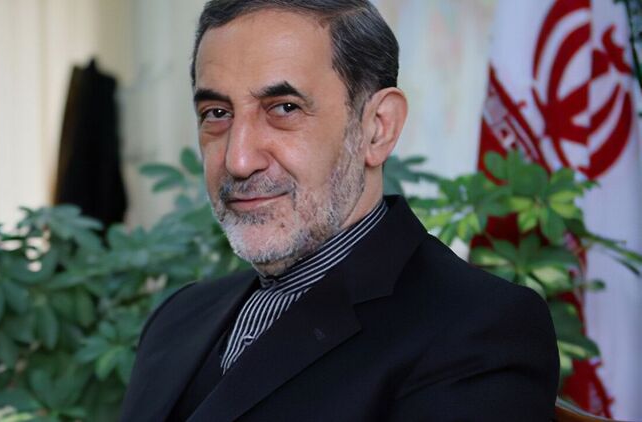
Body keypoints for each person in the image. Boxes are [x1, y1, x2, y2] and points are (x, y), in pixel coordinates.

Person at [120, 1, 559, 421]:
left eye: (285, 108)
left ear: (377, 128)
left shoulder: (477, 329)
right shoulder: (177, 317)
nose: (238, 159)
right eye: (217, 113)